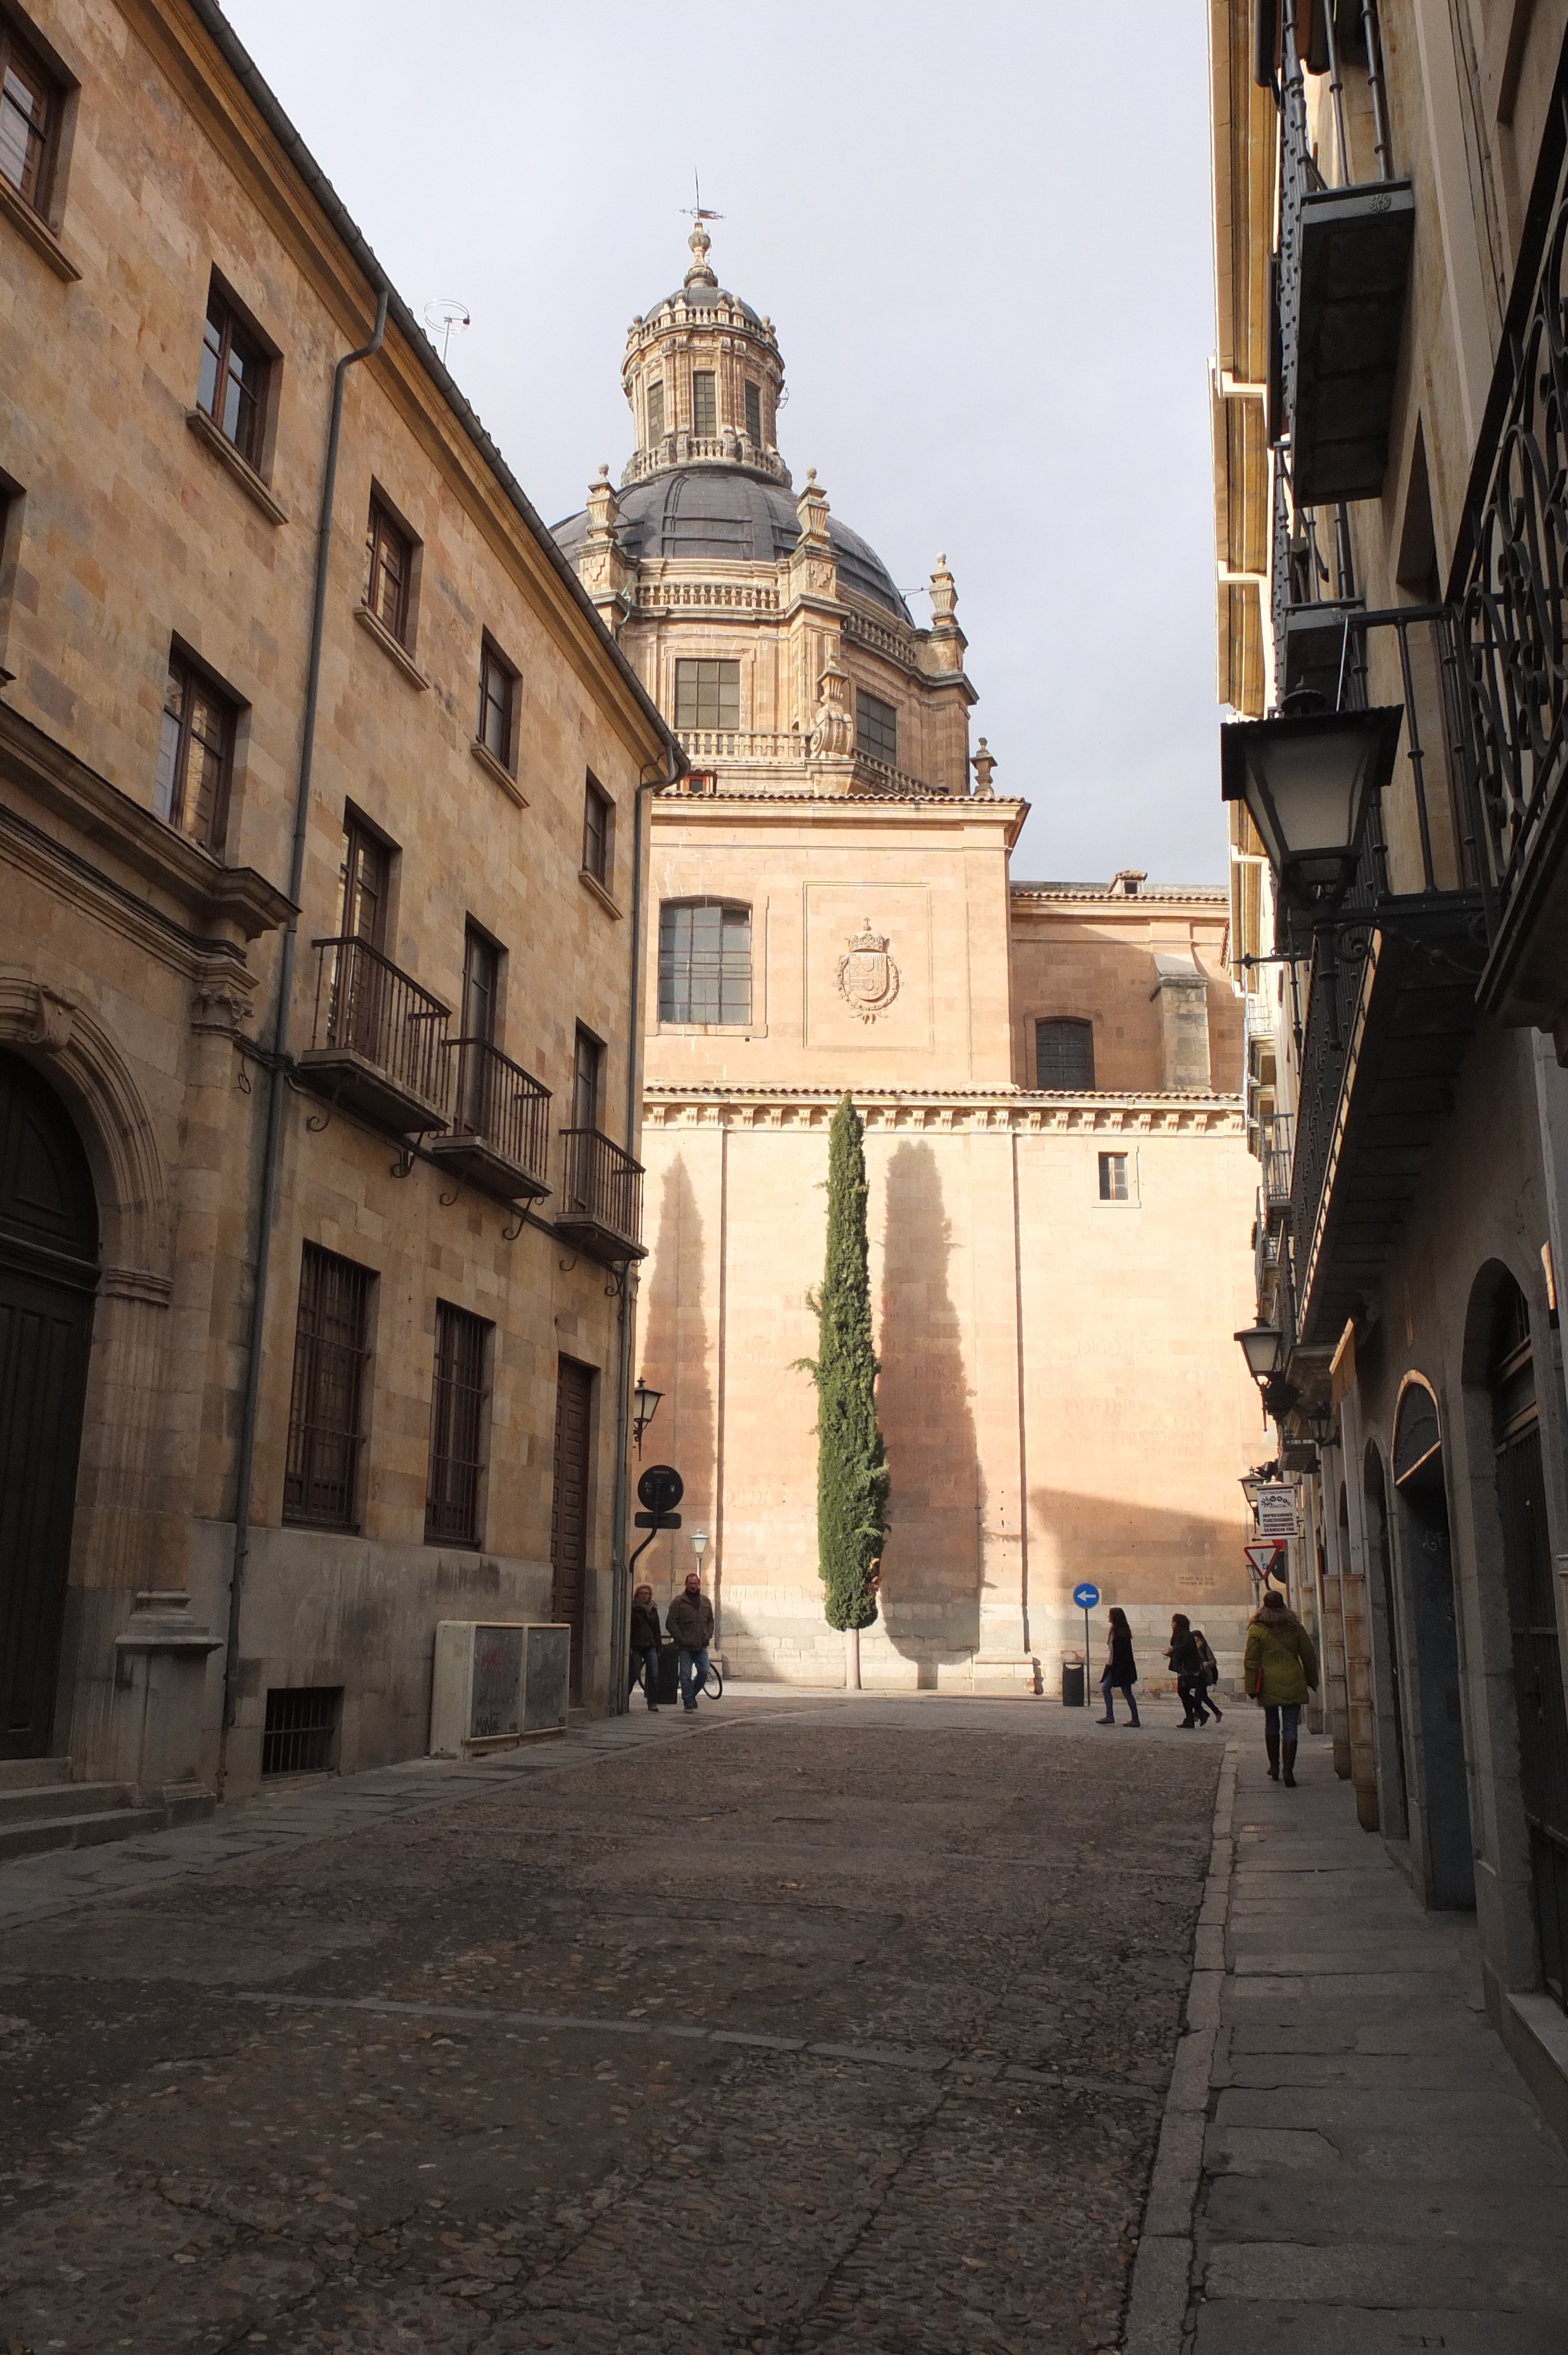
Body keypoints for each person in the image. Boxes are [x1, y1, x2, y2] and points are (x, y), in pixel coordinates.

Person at [1243, 1587, 1319, 1785]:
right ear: (1283, 1605)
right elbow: (1308, 1655)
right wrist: (1312, 1679)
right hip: (1293, 1679)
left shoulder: (1257, 1629)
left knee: (1272, 1723)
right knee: (1291, 1727)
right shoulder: (1294, 1626)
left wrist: (1251, 1687)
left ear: (1264, 1605)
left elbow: (1251, 1661)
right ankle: (1289, 1772)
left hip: (1268, 1682)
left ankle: (1274, 1765)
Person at [665, 1569, 715, 1713]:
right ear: (686, 1584)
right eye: (691, 1583)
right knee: (685, 1675)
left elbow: (710, 1620)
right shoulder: (678, 1602)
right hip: (685, 1646)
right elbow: (671, 1623)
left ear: (699, 1584)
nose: (693, 1586)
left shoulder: (706, 1601)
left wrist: (708, 1634)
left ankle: (690, 1695)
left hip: (701, 1645)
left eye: (696, 1583)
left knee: (704, 1672)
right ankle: (688, 1703)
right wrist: (680, 1638)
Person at [1097, 1606, 1141, 1726]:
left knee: (1123, 1691)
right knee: (1114, 1690)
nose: (1108, 1617)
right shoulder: (1115, 1631)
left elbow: (1121, 1654)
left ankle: (1132, 1719)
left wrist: (1113, 1667)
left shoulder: (1121, 1634)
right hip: (1115, 1666)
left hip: (1121, 1668)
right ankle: (1112, 1716)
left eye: (1109, 1615)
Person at [1167, 1613, 1211, 1728]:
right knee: (1184, 1693)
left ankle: (1201, 1713)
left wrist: (1174, 1649)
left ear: (1177, 1623)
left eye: (1173, 1622)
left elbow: (1185, 1649)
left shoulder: (1186, 1635)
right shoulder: (1181, 1635)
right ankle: (1190, 1719)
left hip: (1187, 1669)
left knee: (1183, 1693)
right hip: (1183, 1668)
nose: (1172, 1625)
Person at [629, 1583, 663, 1712]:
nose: (644, 1596)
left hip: (651, 1645)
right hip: (636, 1645)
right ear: (637, 1595)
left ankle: (652, 1702)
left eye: (647, 1594)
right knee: (634, 1673)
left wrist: (659, 1645)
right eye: (642, 1594)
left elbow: (657, 1629)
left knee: (654, 1674)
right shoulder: (633, 1609)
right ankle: (625, 1696)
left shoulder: (653, 1609)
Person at [1191, 1627, 1224, 1723]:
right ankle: (1216, 1712)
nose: (1194, 1639)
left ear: (1199, 1638)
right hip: (1199, 1675)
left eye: (1195, 1637)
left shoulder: (1204, 1647)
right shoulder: (1194, 1648)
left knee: (1198, 1694)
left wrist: (1207, 1663)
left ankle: (1197, 1714)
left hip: (1205, 1675)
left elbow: (1213, 1661)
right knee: (1203, 1696)